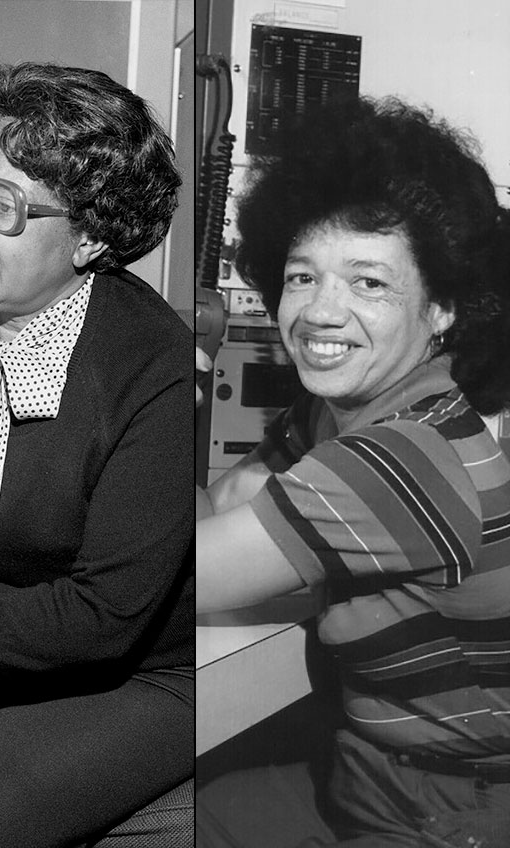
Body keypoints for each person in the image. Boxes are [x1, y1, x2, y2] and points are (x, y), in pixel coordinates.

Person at [0, 62, 195, 847]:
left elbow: (99, 620)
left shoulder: (153, 367)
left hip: (123, 673)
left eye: (6, 205)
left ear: (90, 237)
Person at [196, 97, 510, 846]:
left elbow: (163, 578)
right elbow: (221, 499)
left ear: (442, 309)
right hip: (368, 770)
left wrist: (174, 375)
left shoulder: (398, 458)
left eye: (368, 283)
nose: (320, 313)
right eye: (303, 278)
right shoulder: (357, 412)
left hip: (452, 814)